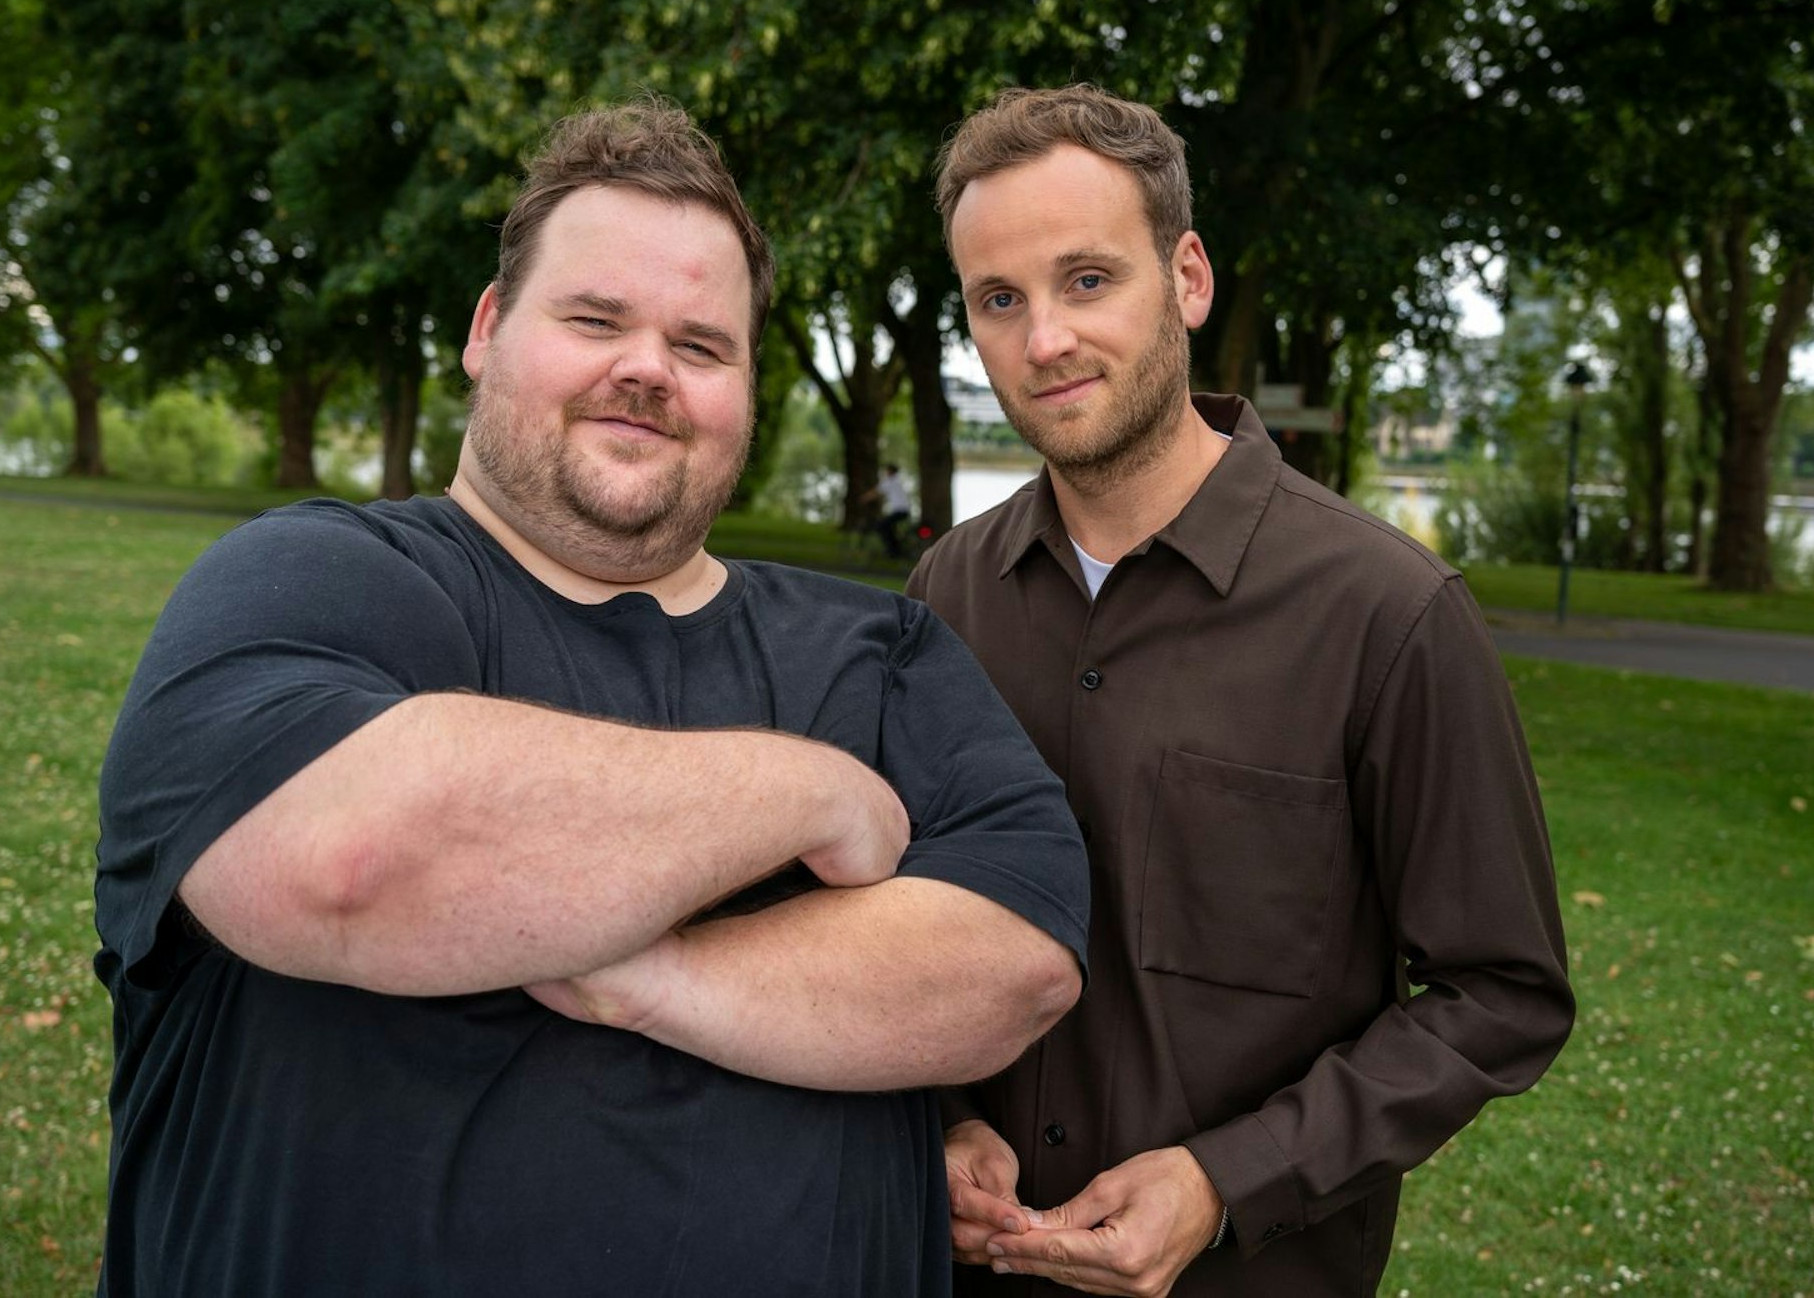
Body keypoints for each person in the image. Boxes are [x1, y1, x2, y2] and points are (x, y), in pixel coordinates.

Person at [92, 98, 1089, 1296]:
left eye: (701, 345)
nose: (645, 371)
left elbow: (1013, 959)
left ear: (745, 391)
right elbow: (348, 860)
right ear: (487, 328)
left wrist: (639, 974)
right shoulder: (314, 579)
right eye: (593, 318)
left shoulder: (880, 650)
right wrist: (812, 792)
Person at [907, 84, 1575, 1297]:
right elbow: (901, 916)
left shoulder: (1389, 613)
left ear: (1188, 278)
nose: (1042, 338)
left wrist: (1230, 1176)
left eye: (1087, 279)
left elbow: (1499, 992)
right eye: (997, 300)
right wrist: (943, 1113)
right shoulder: (942, 596)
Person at [867, 462, 915, 557]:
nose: (885, 472)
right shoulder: (897, 480)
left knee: (881, 525)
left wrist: (863, 499)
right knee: (888, 526)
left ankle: (894, 551)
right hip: (903, 511)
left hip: (900, 511)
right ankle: (895, 548)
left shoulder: (890, 481)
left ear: (890, 471)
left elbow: (876, 492)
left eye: (887, 471)